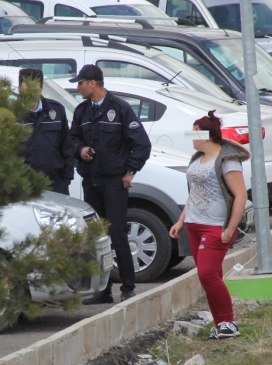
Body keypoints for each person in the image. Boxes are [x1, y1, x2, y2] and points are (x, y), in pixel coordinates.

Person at [69, 64, 151, 304]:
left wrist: (130, 171)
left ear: (92, 83)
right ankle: (103, 291)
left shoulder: (120, 109)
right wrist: (80, 150)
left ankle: (127, 287)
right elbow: (72, 139)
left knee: (117, 233)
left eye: (81, 83)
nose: (78, 88)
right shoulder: (81, 111)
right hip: (91, 181)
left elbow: (142, 144)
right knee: (97, 237)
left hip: (114, 182)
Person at [169, 110, 249, 339]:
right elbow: (194, 193)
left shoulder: (227, 160)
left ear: (205, 135)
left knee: (207, 275)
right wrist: (181, 221)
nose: (191, 138)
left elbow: (240, 196)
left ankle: (230, 323)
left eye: (194, 133)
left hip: (215, 227)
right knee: (210, 276)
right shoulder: (197, 159)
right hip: (194, 225)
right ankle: (221, 324)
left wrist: (230, 228)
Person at [18, 68, 74, 195]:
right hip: (24, 183)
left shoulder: (56, 110)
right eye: (27, 86)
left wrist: (66, 178)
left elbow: (66, 146)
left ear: (41, 88)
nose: (31, 91)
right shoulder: (12, 113)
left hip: (55, 183)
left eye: (35, 86)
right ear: (20, 88)